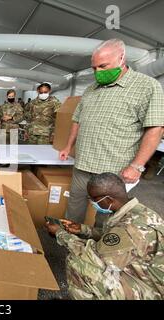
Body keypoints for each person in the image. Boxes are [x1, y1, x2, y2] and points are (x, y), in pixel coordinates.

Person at [59, 39, 164, 227]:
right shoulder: (91, 90)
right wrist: (68, 146)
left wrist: (137, 166)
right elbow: (77, 120)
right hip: (84, 163)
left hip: (114, 170)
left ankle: (99, 253)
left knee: (107, 217)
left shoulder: (146, 86)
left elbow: (155, 128)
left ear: (121, 58)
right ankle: (68, 241)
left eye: (103, 66)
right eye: (94, 68)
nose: (98, 72)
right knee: (74, 206)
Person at [46, 173, 164, 300]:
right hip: (141, 269)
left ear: (108, 200)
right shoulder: (137, 211)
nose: (92, 203)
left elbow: (92, 255)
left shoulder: (131, 228)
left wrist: (59, 233)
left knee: (79, 264)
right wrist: (83, 229)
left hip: (151, 289)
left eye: (93, 200)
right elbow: (112, 237)